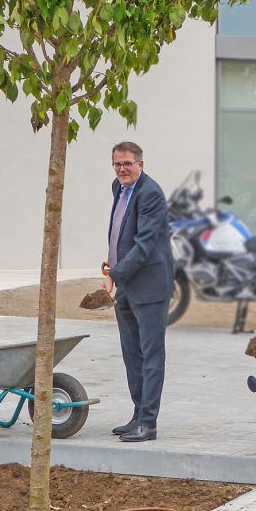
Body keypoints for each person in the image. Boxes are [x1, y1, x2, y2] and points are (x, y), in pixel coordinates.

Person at [101, 141, 173, 442]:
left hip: (150, 286)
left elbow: (144, 245)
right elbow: (120, 236)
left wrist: (114, 274)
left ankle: (148, 422)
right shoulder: (119, 188)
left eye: (128, 163)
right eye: (117, 163)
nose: (122, 169)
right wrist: (109, 268)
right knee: (132, 355)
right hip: (127, 286)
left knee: (151, 354)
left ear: (140, 164)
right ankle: (137, 414)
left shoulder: (151, 193)